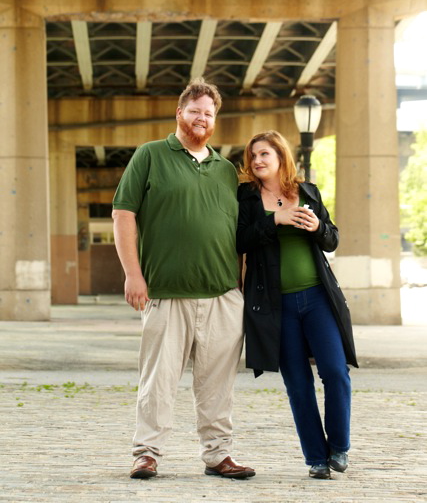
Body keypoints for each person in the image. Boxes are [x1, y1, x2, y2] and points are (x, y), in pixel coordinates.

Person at [112, 78, 255, 481]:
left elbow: (243, 234)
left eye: (209, 113)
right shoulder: (151, 155)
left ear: (215, 120)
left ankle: (218, 454)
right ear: (180, 113)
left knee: (218, 385)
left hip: (223, 296)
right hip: (165, 293)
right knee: (157, 381)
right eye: (195, 111)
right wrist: (132, 275)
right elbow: (124, 215)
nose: (202, 118)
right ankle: (146, 453)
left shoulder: (226, 171)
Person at [236, 130, 358, 480]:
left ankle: (339, 447)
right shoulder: (246, 197)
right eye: (253, 156)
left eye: (264, 154)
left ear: (280, 157)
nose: (257, 161)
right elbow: (240, 239)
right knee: (298, 383)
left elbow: (332, 239)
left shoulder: (307, 191)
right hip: (276, 305)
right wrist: (274, 220)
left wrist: (318, 225)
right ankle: (316, 458)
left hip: (318, 298)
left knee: (335, 372)